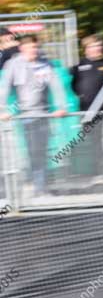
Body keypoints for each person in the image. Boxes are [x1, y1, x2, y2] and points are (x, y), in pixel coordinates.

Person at [0, 34, 67, 195]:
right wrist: (3, 110)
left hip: (43, 114)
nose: (34, 51)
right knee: (32, 150)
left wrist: (61, 107)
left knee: (41, 150)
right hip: (25, 116)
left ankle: (40, 187)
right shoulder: (13, 65)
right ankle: (32, 184)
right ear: (22, 48)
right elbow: (4, 88)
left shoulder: (45, 64)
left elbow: (56, 86)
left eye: (36, 47)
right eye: (30, 48)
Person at [70, 34, 103, 177]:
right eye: (94, 46)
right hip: (82, 111)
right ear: (86, 49)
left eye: (99, 46)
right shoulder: (79, 66)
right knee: (87, 141)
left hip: (100, 110)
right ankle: (85, 171)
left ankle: (100, 171)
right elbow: (71, 86)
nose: (97, 49)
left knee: (98, 140)